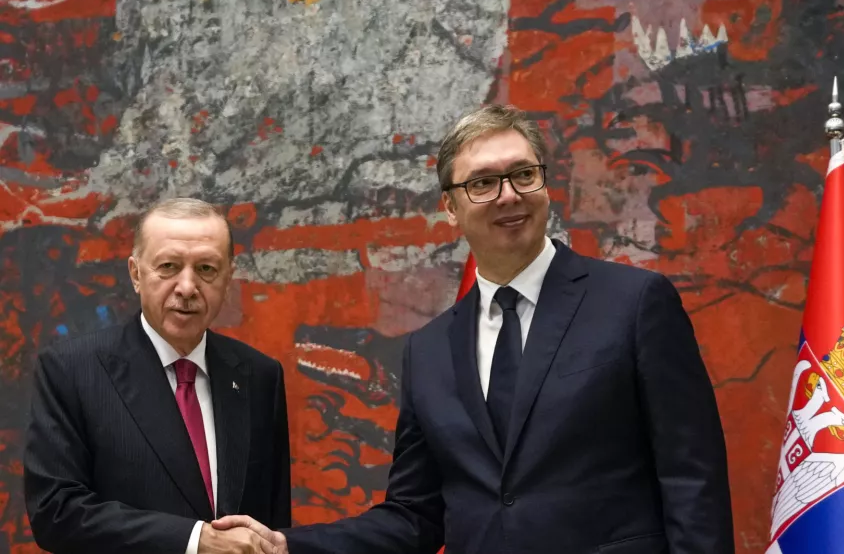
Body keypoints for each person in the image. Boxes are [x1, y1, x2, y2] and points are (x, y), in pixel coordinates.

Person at [216, 104, 734, 553]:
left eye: (523, 174)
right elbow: (416, 516)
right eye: (483, 182)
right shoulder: (429, 350)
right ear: (450, 206)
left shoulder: (635, 303)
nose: (508, 195)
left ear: (545, 184)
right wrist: (289, 545)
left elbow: (693, 479)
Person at [23, 198, 291, 554]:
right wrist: (195, 541)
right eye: (168, 266)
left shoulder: (260, 376)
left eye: (207, 269)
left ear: (228, 276)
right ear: (136, 274)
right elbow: (56, 513)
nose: (187, 287)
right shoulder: (72, 370)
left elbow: (273, 525)